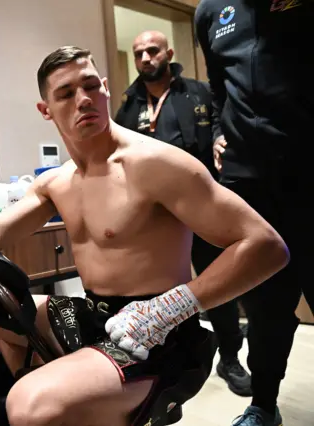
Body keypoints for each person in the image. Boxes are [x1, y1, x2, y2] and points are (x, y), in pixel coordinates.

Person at [0, 46, 289, 426]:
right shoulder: (58, 182)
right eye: (66, 93)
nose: (83, 99)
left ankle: (64, 405)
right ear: (45, 109)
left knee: (27, 406)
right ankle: (82, 405)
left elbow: (266, 246)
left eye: (90, 86)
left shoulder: (156, 164)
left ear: (105, 88)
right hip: (100, 317)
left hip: (164, 337)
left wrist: (172, 307)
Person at [114, 30, 250, 397]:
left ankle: (230, 356)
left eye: (152, 50)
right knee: (156, 286)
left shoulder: (198, 92)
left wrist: (223, 139)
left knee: (215, 281)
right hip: (152, 214)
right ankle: (161, 358)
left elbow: (223, 121)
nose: (144, 57)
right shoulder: (127, 105)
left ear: (168, 53)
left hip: (200, 205)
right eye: (139, 52)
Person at [196, 1, 313, 424]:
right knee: (265, 309)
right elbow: (217, 86)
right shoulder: (211, 11)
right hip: (249, 185)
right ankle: (263, 405)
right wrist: (217, 132)